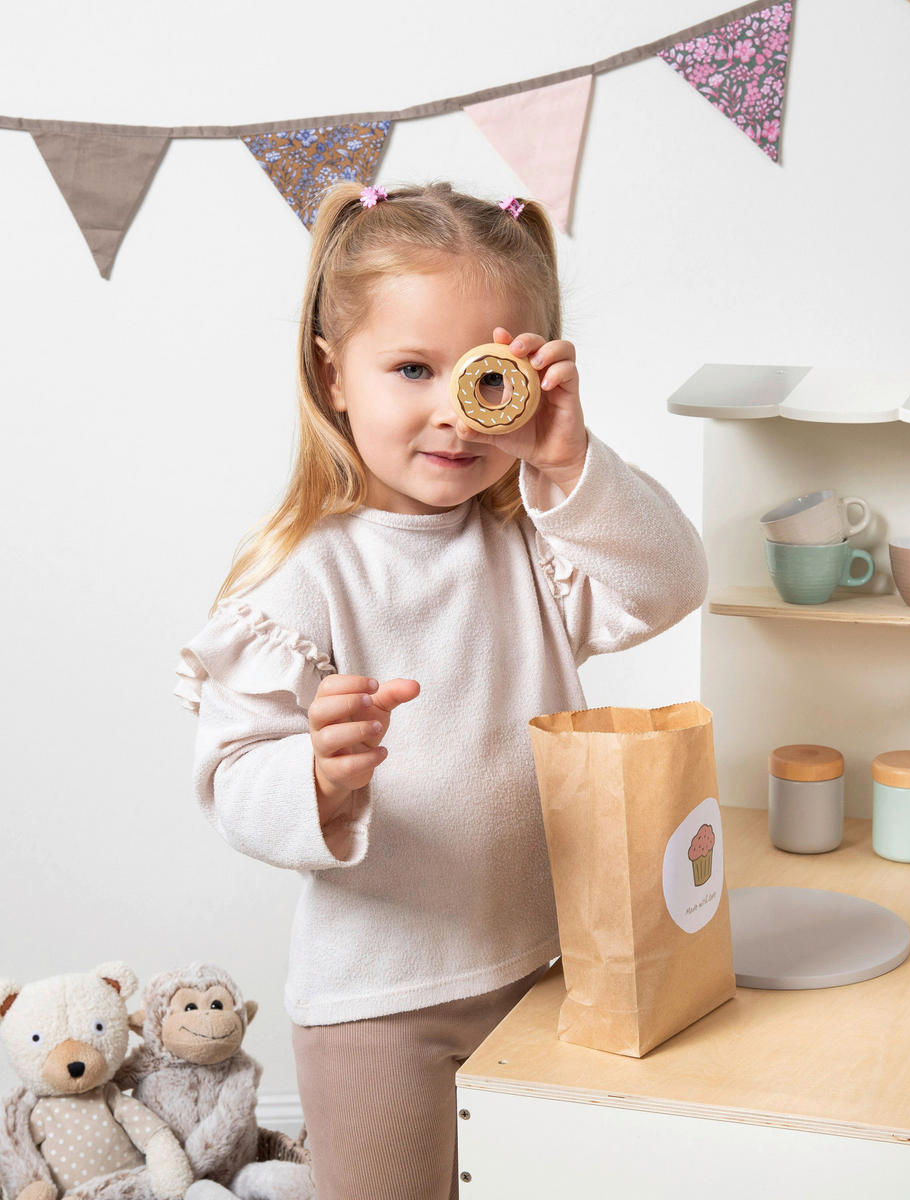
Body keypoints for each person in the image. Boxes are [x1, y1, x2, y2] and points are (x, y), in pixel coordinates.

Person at [173, 178, 709, 1199]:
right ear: (335, 376)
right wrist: (318, 782)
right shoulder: (303, 571)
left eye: (483, 374)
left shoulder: (537, 543)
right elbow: (232, 772)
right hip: (381, 1004)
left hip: (553, 968)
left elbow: (672, 581)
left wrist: (571, 461)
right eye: (411, 369)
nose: (450, 414)